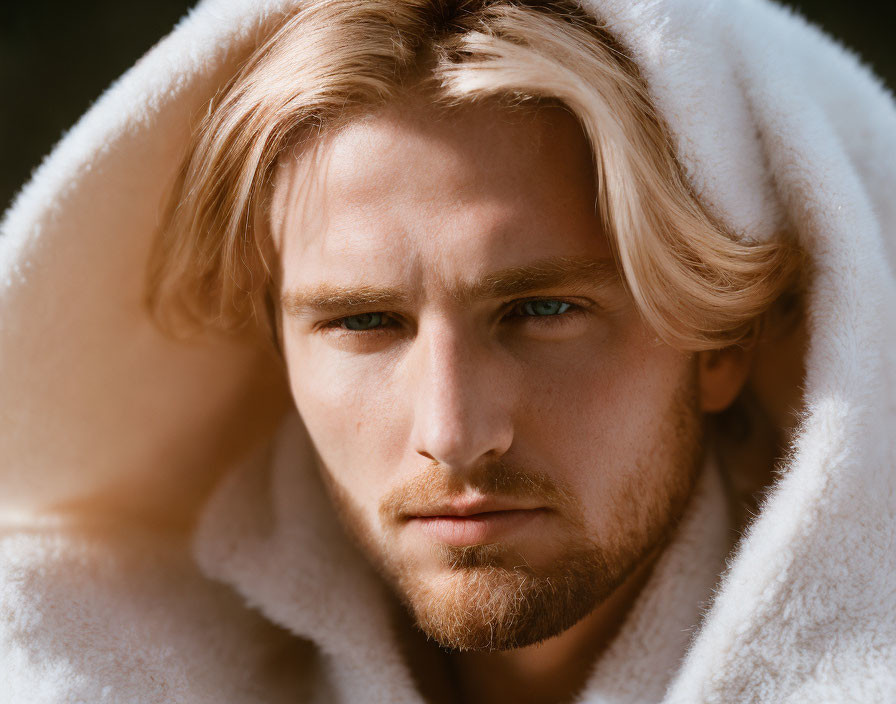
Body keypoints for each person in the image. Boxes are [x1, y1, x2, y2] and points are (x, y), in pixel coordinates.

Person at [1, 1, 893, 703]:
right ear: (276, 345)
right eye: (362, 322)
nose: (454, 433)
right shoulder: (64, 668)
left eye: (543, 308)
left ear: (721, 345)